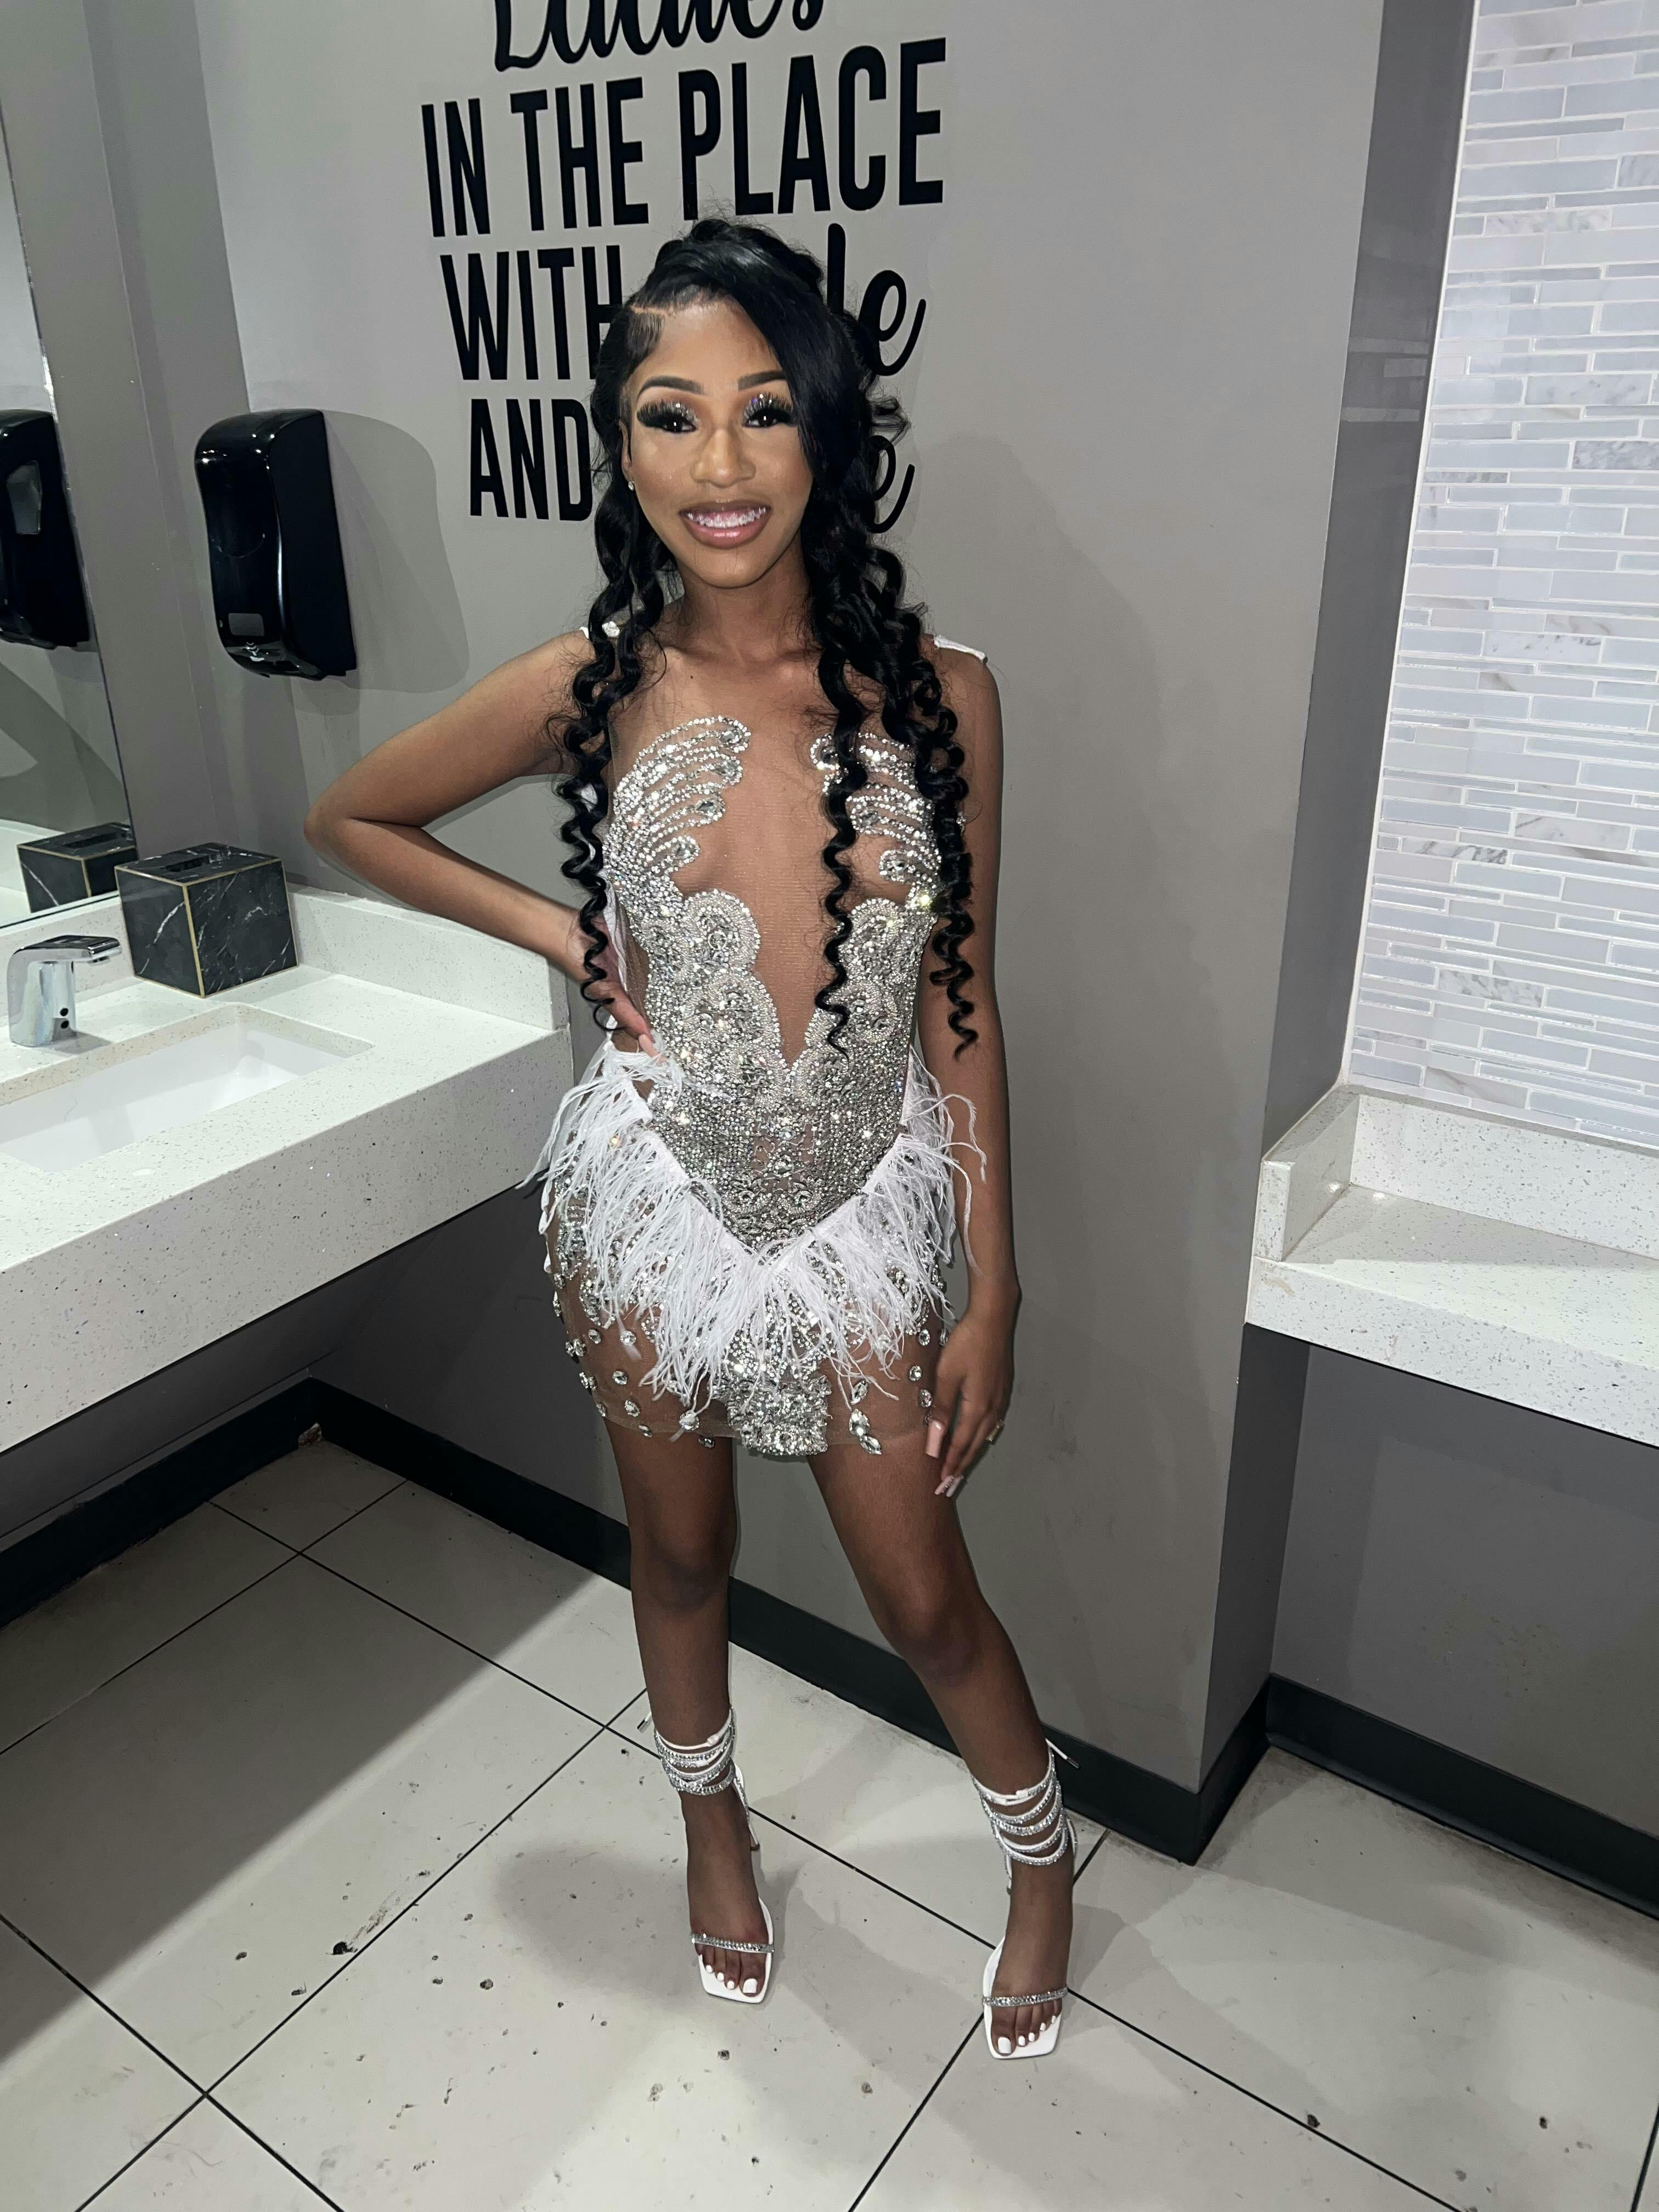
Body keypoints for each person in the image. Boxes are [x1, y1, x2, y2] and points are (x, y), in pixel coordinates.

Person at [304, 217, 1075, 2060]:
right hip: (653, 1197)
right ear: (623, 444)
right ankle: (709, 1826)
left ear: (828, 431)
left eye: (763, 410)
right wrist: (564, 933)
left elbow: (960, 1004)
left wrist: (995, 1286)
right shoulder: (595, 680)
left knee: (923, 1594)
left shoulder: (947, 695)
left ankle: (1043, 1858)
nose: (719, 465)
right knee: (679, 1551)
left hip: (867, 1204)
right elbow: (356, 814)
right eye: (671, 415)